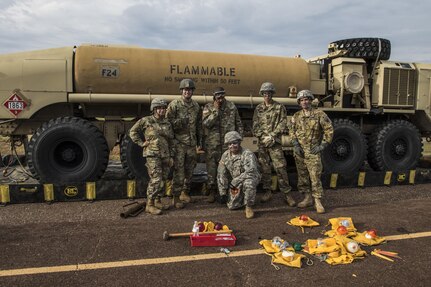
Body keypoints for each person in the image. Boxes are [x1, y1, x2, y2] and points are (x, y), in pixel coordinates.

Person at [290, 90, 334, 213]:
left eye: (306, 99)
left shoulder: (319, 114)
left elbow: (329, 130)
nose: (304, 102)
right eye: (302, 100)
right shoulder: (296, 116)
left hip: (313, 150)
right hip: (300, 151)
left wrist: (322, 145)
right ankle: (307, 198)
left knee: (315, 176)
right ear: (299, 102)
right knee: (303, 176)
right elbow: (291, 131)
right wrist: (295, 144)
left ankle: (317, 201)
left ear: (310, 100)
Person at [252, 82, 295, 206]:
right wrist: (263, 137)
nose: (267, 96)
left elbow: (283, 123)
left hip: (275, 143)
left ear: (272, 94)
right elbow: (255, 125)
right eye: (265, 93)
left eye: (269, 93)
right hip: (263, 144)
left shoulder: (279, 107)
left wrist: (272, 136)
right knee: (265, 168)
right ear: (262, 94)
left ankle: (287, 194)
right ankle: (267, 191)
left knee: (280, 167)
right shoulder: (258, 108)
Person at [129, 98, 175, 215]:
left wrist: (171, 156)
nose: (162, 110)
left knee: (163, 178)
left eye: (163, 108)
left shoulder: (167, 123)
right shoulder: (146, 121)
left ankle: (158, 201)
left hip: (165, 155)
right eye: (159, 108)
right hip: (152, 155)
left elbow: (171, 141)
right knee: (156, 179)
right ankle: (150, 204)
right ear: (154, 109)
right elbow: (132, 132)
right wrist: (141, 143)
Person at [202, 87, 244, 203]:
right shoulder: (208, 107)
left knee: (230, 168)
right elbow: (206, 124)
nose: (220, 98)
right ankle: (212, 191)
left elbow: (238, 123)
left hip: (228, 145)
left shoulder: (231, 106)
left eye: (222, 95)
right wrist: (215, 110)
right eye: (218, 96)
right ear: (214, 96)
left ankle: (230, 192)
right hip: (213, 144)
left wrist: (239, 138)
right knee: (212, 169)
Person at [166, 79, 202, 205]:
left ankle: (184, 192)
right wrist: (181, 122)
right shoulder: (174, 105)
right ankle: (175, 197)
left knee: (190, 169)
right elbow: (167, 124)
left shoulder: (196, 106)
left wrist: (199, 141)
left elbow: (198, 125)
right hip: (179, 143)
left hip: (191, 144)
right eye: (185, 90)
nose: (187, 92)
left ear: (192, 91)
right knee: (179, 170)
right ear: (181, 91)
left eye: (190, 90)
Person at [217, 131, 261, 219]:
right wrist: (223, 192)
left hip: (248, 178)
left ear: (239, 142)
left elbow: (251, 171)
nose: (232, 146)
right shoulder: (225, 155)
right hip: (235, 183)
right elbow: (221, 174)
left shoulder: (247, 154)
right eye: (229, 144)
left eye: (234, 143)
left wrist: (236, 180)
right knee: (232, 206)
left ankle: (248, 206)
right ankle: (241, 197)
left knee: (249, 183)